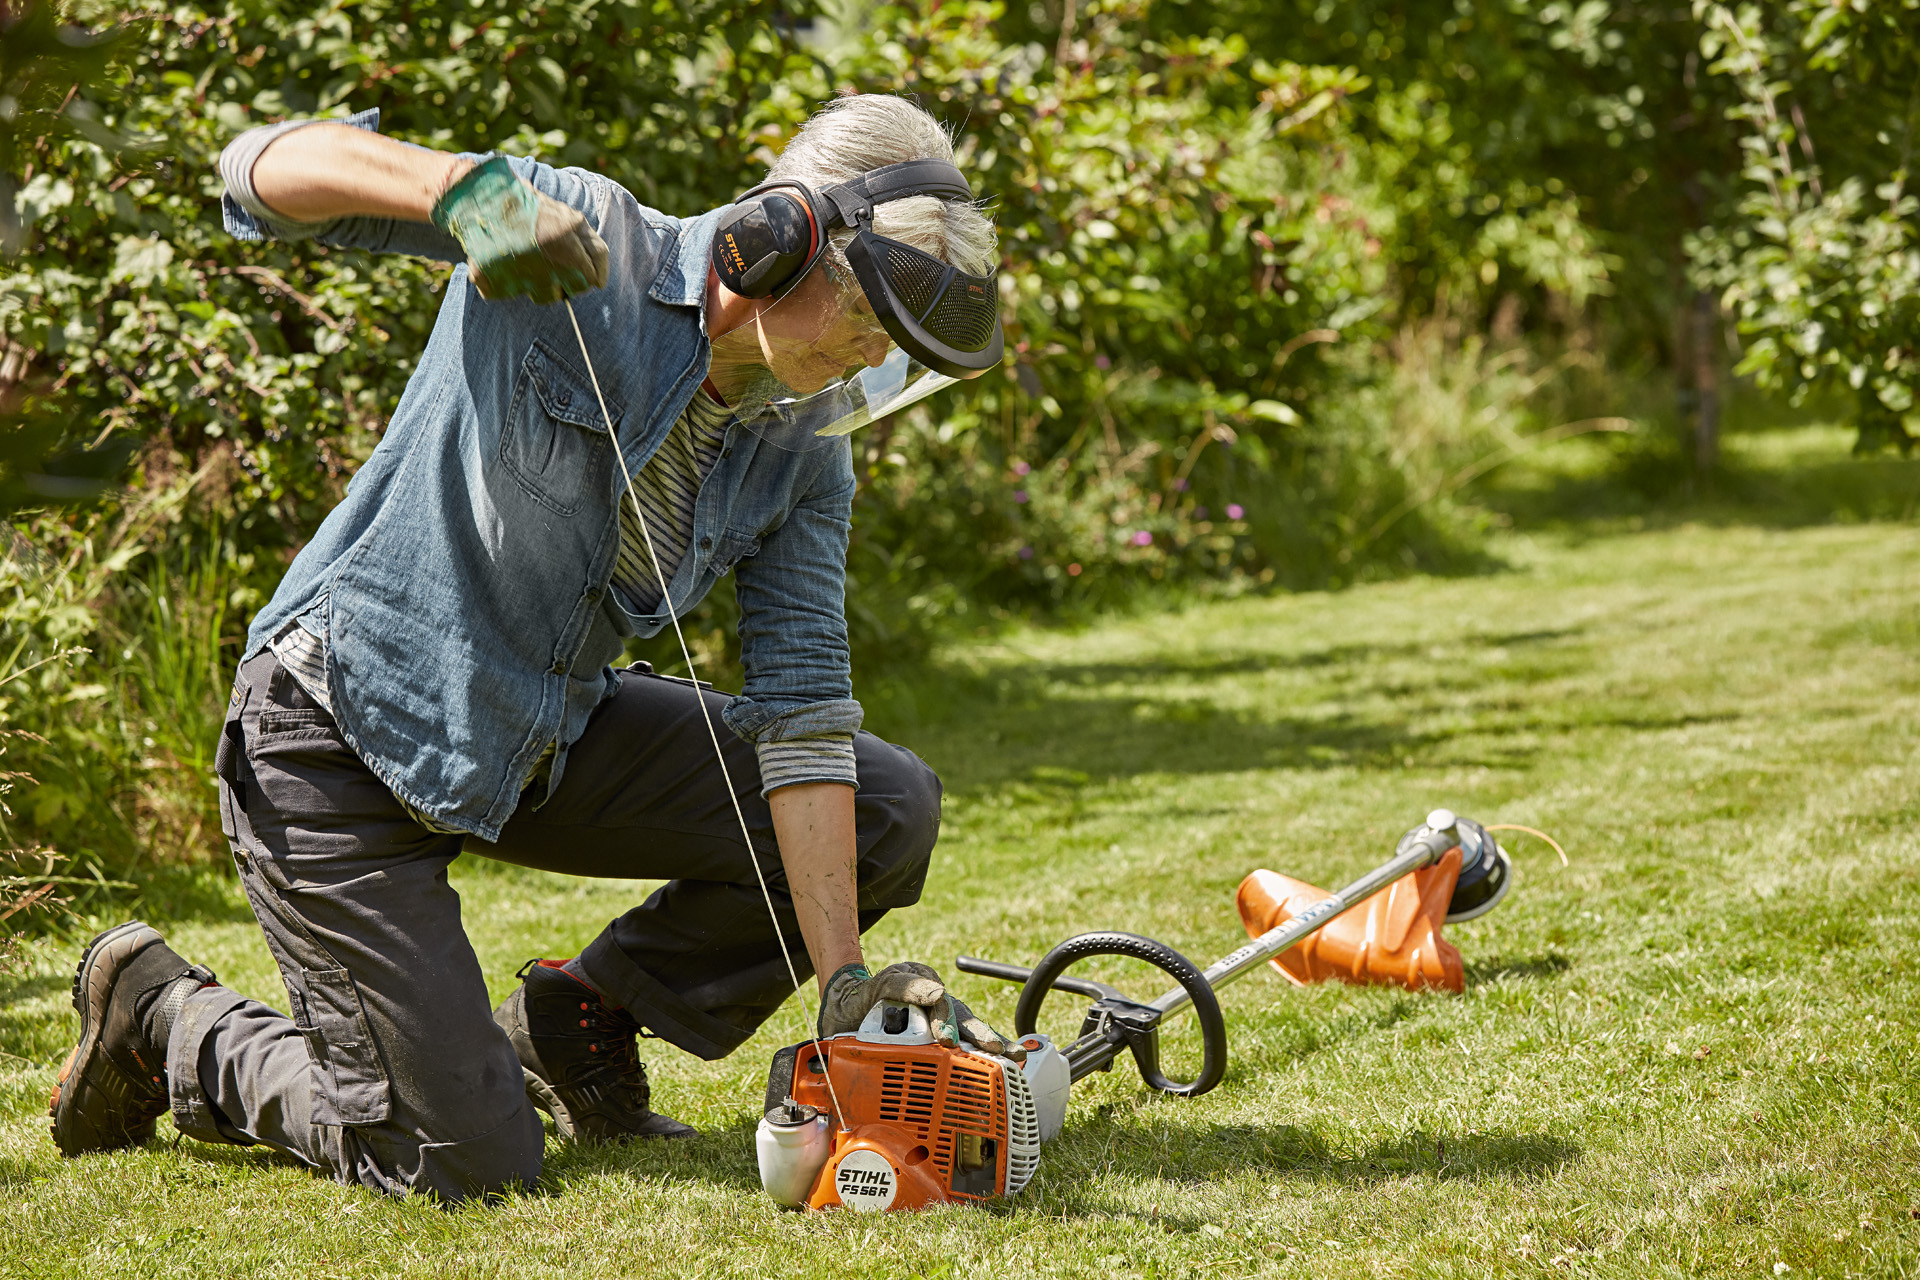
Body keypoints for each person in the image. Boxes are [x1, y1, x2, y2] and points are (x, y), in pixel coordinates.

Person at [46, 93, 1017, 1202]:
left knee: (886, 804)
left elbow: (799, 704)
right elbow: (255, 167)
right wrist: (458, 194)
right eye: (871, 319)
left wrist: (844, 983)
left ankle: (577, 1017)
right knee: (466, 1162)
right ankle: (164, 1019)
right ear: (782, 241)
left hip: (537, 737)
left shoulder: (804, 447)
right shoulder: (582, 240)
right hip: (332, 737)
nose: (876, 355)